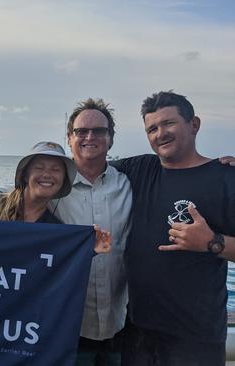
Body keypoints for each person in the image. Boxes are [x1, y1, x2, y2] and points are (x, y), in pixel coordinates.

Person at [112, 91, 235, 365]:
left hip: (195, 339)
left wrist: (212, 242)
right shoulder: (140, 168)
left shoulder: (226, 179)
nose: (160, 134)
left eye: (168, 123)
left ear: (194, 124)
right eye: (152, 129)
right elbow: (86, 170)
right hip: (138, 333)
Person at [49, 99, 132, 365]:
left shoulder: (130, 183)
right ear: (69, 137)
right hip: (68, 328)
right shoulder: (51, 189)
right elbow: (14, 206)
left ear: (111, 138)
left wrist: (216, 168)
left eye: (98, 131)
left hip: (121, 324)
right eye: (81, 131)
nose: (89, 137)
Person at [0, 141, 112, 254]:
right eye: (39, 168)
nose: (47, 174)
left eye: (56, 169)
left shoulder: (56, 230)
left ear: (63, 180)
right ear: (26, 175)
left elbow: (62, 267)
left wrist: (90, 248)